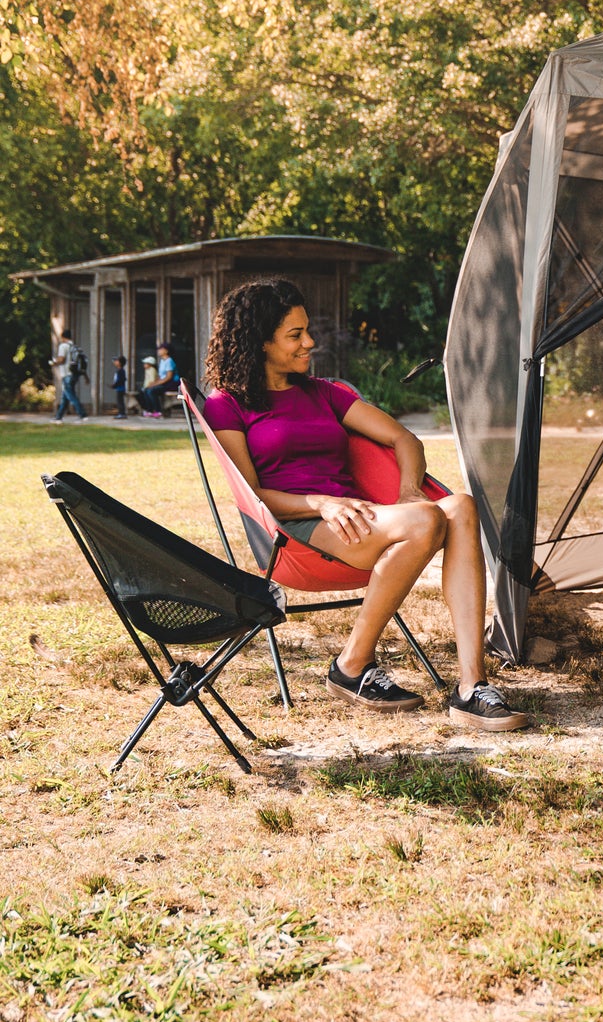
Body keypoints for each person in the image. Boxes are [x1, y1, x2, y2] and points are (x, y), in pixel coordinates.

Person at [201, 276, 528, 730]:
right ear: (259, 343)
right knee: (427, 519)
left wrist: (410, 492)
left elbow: (403, 438)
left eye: (307, 330)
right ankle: (352, 665)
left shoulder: (324, 393)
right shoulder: (228, 405)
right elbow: (252, 493)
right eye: (294, 335)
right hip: (297, 531)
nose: (309, 342)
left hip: (362, 520)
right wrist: (322, 503)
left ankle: (471, 687)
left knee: (461, 506)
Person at [50, 328, 88, 423]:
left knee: (71, 396)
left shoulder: (63, 346)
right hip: (74, 374)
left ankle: (82, 415)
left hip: (67, 374)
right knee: (65, 396)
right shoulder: (74, 346)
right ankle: (59, 417)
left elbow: (61, 359)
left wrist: (54, 362)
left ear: (63, 337)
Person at [140, 343, 180, 417]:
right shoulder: (162, 361)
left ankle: (158, 411)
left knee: (151, 391)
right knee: (146, 389)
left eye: (161, 349)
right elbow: (160, 376)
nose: (158, 351)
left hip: (171, 383)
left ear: (166, 351)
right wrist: (154, 383)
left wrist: (155, 384)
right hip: (163, 382)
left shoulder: (169, 361)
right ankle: (150, 410)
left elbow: (168, 377)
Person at [111, 355, 128, 419]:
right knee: (120, 401)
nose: (115, 362)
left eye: (116, 361)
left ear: (120, 363)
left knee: (120, 402)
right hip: (119, 388)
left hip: (120, 389)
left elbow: (121, 380)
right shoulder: (119, 370)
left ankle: (122, 413)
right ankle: (121, 413)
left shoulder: (120, 371)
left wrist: (115, 385)